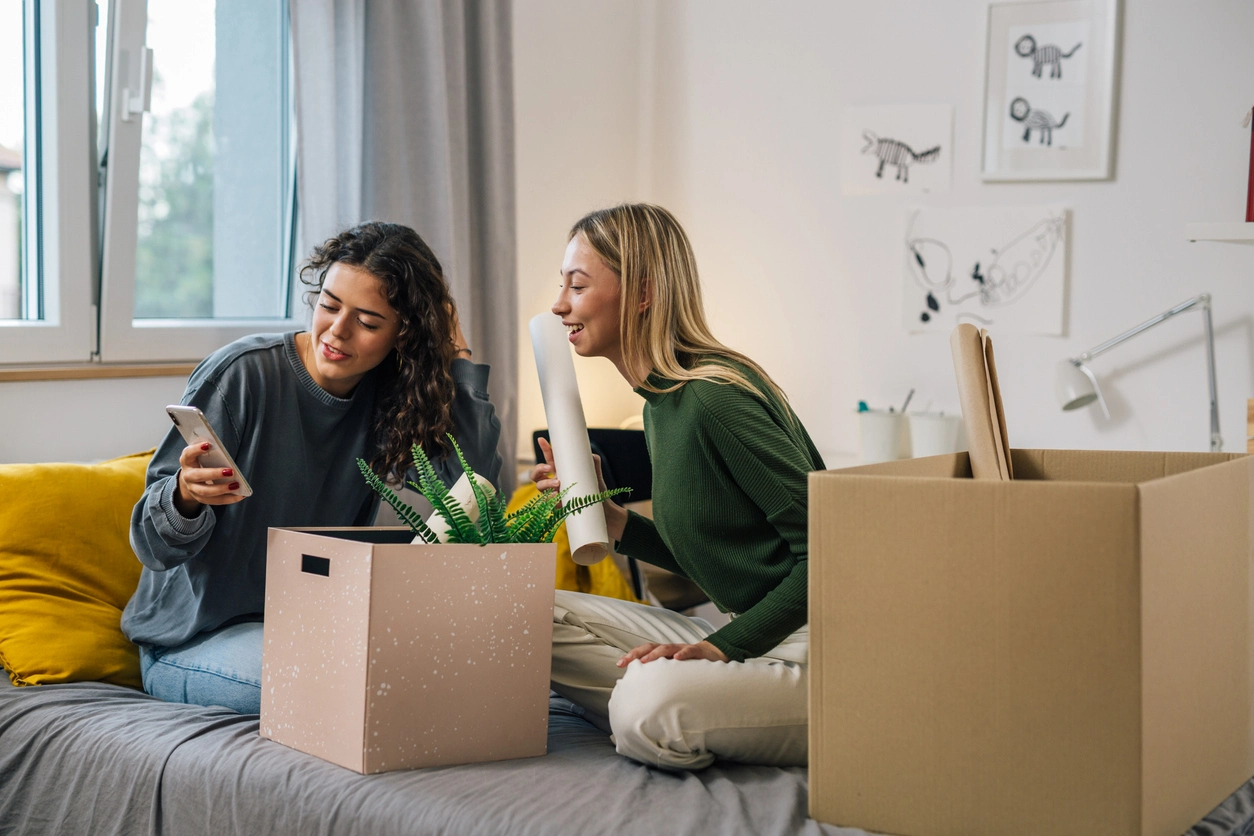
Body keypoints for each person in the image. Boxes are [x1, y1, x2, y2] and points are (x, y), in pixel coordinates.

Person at [122, 221, 503, 715]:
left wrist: (456, 356)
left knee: (448, 675)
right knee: (353, 690)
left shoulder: (393, 399)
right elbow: (150, 545)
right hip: (190, 641)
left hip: (312, 631)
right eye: (328, 305)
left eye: (367, 322)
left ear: (403, 333)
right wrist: (185, 497)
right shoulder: (242, 375)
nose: (337, 332)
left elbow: (472, 490)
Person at [533, 203, 824, 771]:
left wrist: (722, 648)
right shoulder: (659, 406)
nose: (559, 303)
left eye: (578, 284)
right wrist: (613, 520)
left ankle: (664, 709)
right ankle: (691, 707)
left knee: (646, 706)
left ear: (642, 293)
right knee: (527, 614)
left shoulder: (714, 399)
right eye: (561, 285)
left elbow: (834, 554)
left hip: (815, 647)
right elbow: (716, 555)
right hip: (754, 635)